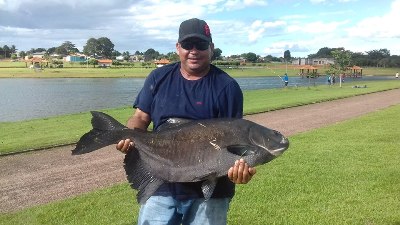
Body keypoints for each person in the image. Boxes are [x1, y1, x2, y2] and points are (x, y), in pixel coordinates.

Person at [116, 18, 256, 225]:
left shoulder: (227, 87)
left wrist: (241, 170)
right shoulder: (158, 77)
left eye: (200, 45)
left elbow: (235, 140)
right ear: (177, 47)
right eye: (187, 45)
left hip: (210, 191)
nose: (194, 51)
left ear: (211, 48)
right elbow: (140, 118)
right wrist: (130, 134)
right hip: (160, 182)